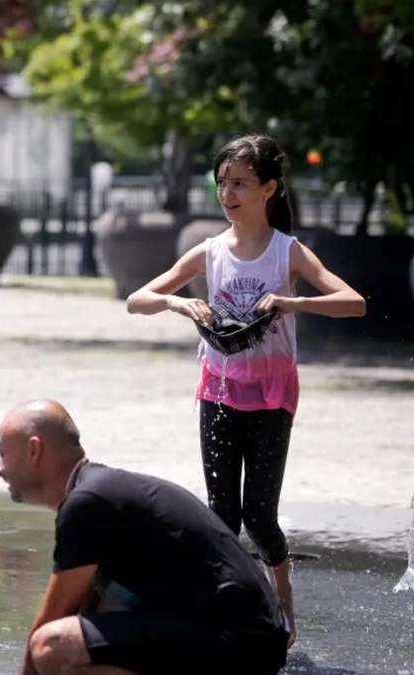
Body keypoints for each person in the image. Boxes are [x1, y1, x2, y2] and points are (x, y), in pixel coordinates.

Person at [124, 134, 366, 645]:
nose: (227, 193)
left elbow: (354, 302)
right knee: (222, 516)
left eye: (239, 183)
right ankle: (224, 609)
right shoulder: (210, 252)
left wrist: (291, 304)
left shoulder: (288, 252)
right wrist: (179, 304)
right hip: (219, 391)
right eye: (221, 184)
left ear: (269, 188)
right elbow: (137, 299)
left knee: (259, 516)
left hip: (273, 395)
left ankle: (282, 601)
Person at [0, 399, 291, 675]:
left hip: (241, 639)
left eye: (2, 452)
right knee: (83, 631)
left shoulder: (87, 503)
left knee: (51, 647)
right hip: (253, 637)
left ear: (34, 450)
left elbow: (46, 630)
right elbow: (87, 611)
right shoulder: (97, 494)